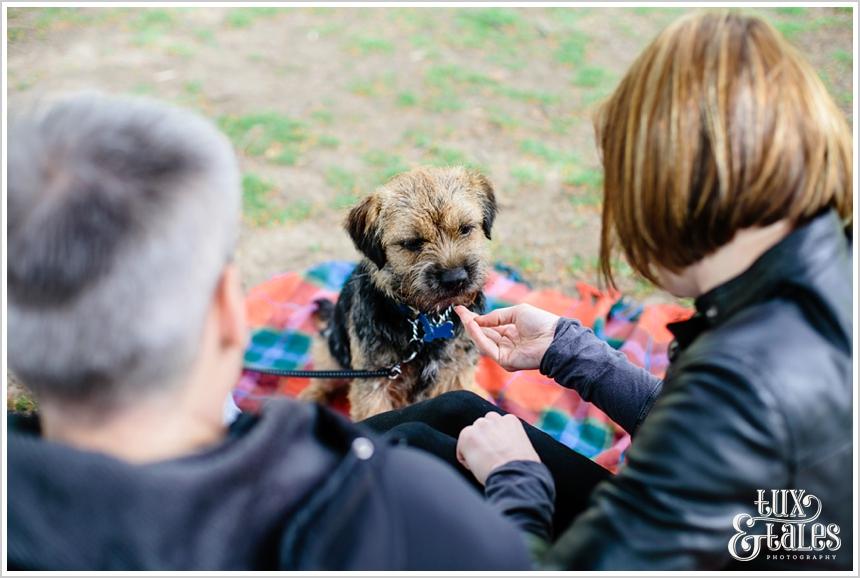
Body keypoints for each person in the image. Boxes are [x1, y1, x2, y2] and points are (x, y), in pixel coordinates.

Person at [363, 12, 853, 570]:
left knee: (412, 464)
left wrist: (515, 480)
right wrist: (569, 350)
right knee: (450, 415)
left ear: (671, 192)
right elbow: (703, 433)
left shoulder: (742, 382)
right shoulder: (817, 273)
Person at [5, 93, 532, 571]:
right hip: (381, 365)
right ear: (229, 310)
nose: (452, 265)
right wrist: (520, 483)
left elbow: (461, 362)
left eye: (466, 230)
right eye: (413, 246)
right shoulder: (406, 501)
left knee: (457, 383)